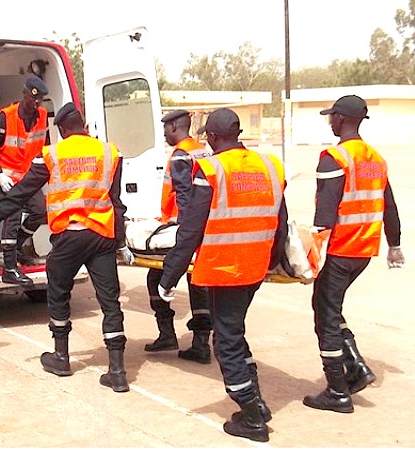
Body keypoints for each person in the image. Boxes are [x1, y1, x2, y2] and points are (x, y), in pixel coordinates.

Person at [0, 102, 135, 393]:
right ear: (85, 128)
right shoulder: (110, 152)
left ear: (62, 131)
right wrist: (121, 240)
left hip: (69, 237)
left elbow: (21, 192)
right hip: (102, 236)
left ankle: (61, 357)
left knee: (58, 292)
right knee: (110, 302)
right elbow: (116, 202)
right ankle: (118, 371)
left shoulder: (51, 154)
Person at [158, 108, 288, 442]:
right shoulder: (269, 165)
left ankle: (251, 416)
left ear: (213, 137)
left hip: (224, 267)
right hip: (256, 266)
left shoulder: (212, 168)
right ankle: (256, 400)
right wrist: (274, 262)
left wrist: (169, 276)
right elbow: (281, 219)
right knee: (235, 331)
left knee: (226, 341)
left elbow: (191, 229)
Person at [303, 95, 404, 413]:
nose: (329, 122)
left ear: (343, 119)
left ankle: (337, 390)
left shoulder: (335, 157)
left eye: (331, 117)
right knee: (329, 307)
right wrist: (395, 244)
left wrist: (311, 258)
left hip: (340, 249)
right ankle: (357, 368)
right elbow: (389, 204)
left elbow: (325, 215)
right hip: (364, 250)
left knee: (326, 316)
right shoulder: (374, 158)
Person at [144, 110, 213, 364]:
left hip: (182, 230)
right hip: (204, 227)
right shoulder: (203, 150)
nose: (164, 134)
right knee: (199, 285)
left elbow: (185, 197)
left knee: (156, 277)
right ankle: (201, 344)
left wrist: (184, 237)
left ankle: (167, 333)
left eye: (165, 128)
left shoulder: (181, 155)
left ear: (174, 126)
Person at [0, 75, 50, 285]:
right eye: (34, 98)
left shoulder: (42, 115)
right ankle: (9, 268)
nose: (37, 103)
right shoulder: (5, 116)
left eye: (40, 99)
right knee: (12, 217)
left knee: (40, 211)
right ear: (24, 94)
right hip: (7, 176)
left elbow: (45, 146)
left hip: (29, 177)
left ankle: (18, 247)